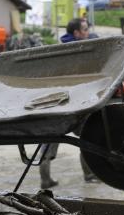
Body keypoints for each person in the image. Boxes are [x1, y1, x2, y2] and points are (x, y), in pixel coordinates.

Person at [38, 18, 96, 188]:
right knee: (86, 138)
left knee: (49, 142)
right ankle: (89, 174)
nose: (87, 33)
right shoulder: (76, 50)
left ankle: (45, 179)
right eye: (85, 30)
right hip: (71, 104)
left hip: (55, 104)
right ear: (76, 33)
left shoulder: (60, 47)